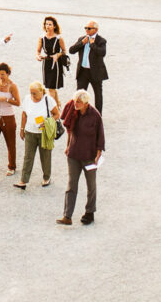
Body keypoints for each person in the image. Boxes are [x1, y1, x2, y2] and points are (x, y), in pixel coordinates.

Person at [57, 90, 105, 226]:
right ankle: (67, 216)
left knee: (91, 185)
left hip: (89, 156)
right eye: (75, 101)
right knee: (71, 184)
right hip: (74, 154)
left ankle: (90, 212)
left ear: (86, 103)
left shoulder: (95, 115)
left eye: (78, 102)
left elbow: (100, 134)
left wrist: (99, 152)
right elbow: (69, 130)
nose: (75, 104)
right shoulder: (73, 111)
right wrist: (68, 146)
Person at [15, 82, 57, 189]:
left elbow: (57, 114)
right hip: (30, 132)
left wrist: (47, 122)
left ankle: (46, 177)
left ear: (41, 91)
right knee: (28, 157)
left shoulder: (48, 100)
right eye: (31, 93)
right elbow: (24, 114)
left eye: (34, 93)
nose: (32, 95)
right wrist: (22, 129)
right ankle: (23, 181)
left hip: (44, 133)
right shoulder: (27, 99)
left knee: (45, 156)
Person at [69, 21, 108, 114]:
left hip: (95, 72)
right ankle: (78, 114)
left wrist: (92, 45)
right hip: (83, 72)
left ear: (96, 30)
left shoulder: (101, 40)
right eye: (85, 28)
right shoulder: (82, 39)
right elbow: (71, 50)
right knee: (79, 94)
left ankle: (98, 115)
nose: (87, 30)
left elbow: (102, 53)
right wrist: (82, 43)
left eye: (89, 28)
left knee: (98, 95)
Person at [36, 15, 68, 103]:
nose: (48, 26)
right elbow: (38, 51)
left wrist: (58, 54)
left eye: (50, 24)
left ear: (54, 26)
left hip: (56, 64)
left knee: (51, 88)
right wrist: (38, 56)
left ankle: (51, 108)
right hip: (46, 63)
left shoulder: (59, 38)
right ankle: (57, 105)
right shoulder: (42, 38)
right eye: (46, 24)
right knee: (51, 87)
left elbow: (64, 51)